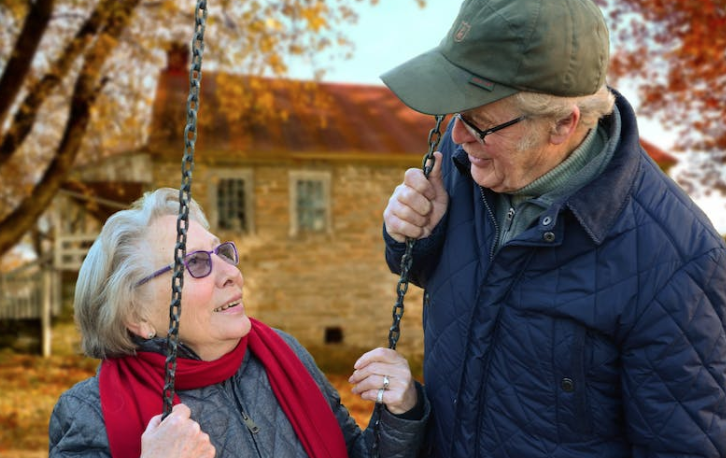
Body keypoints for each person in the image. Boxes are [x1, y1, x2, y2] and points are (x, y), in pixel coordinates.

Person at [379, 0, 726, 456]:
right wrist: (415, 236)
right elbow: (444, 279)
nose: (459, 136)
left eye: (478, 123)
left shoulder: (678, 264)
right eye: (455, 114)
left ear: (563, 123)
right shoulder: (470, 159)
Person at [49, 187, 429, 458]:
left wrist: (401, 414)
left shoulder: (282, 356)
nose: (230, 272)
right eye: (195, 263)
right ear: (137, 315)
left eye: (222, 252)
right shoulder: (90, 412)